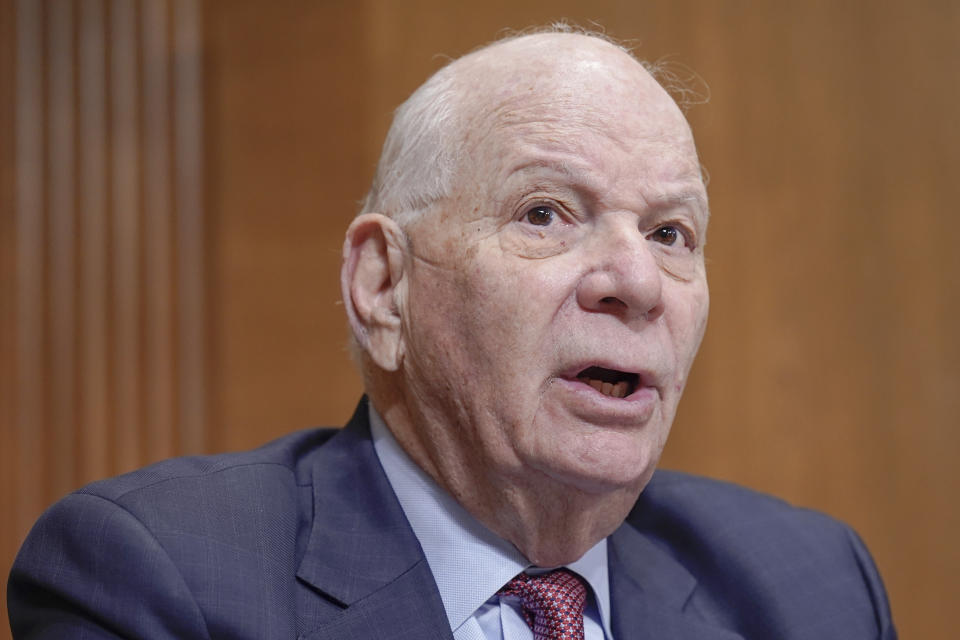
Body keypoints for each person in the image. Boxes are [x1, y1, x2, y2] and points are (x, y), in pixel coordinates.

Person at [8, 28, 896, 640]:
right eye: (546, 213)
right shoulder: (162, 581)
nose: (634, 283)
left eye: (670, 234)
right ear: (385, 286)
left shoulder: (807, 587)